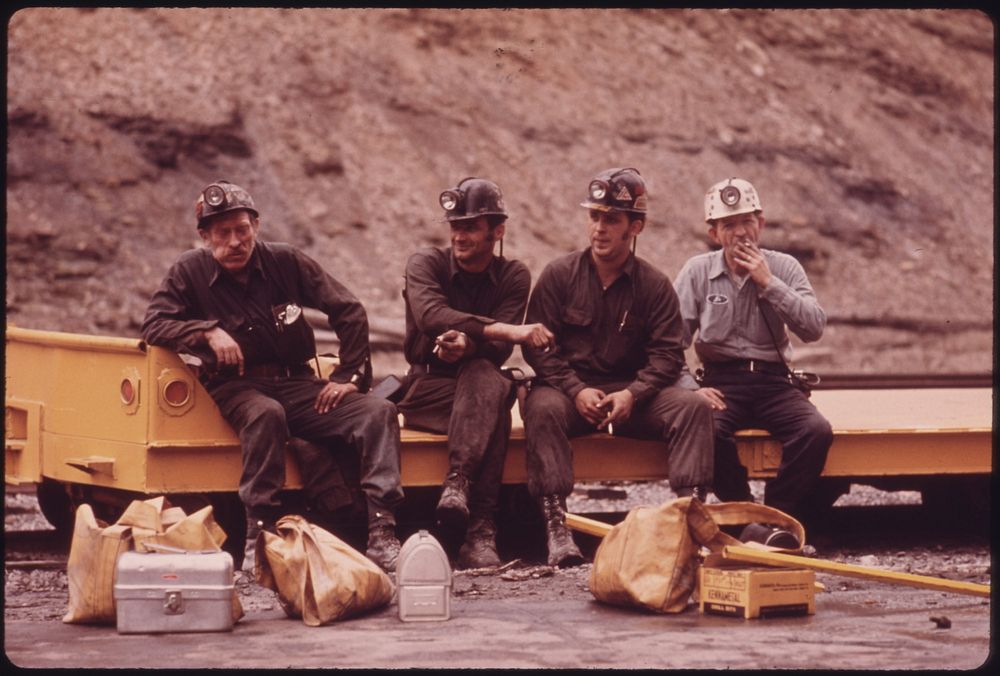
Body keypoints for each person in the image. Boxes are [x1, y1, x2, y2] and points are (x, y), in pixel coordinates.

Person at [141, 180, 404, 573]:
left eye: (242, 230)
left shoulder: (285, 262)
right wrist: (206, 331)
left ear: (256, 226)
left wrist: (348, 375)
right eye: (223, 233)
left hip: (298, 384)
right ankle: (258, 535)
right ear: (204, 235)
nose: (235, 241)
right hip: (236, 386)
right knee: (266, 414)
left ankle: (382, 533)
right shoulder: (189, 270)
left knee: (377, 412)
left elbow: (348, 309)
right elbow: (154, 325)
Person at [522, 168, 715, 567]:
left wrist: (634, 393)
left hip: (631, 395)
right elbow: (538, 349)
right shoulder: (559, 276)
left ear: (635, 226)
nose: (599, 229)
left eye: (611, 219)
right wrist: (575, 390)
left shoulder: (654, 285)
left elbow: (668, 355)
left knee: (692, 407)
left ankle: (688, 523)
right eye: (594, 217)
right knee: (540, 406)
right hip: (569, 393)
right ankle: (558, 528)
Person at [396, 177, 554, 568]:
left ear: (497, 231)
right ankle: (480, 528)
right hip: (429, 388)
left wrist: (467, 345)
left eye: (470, 227)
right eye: (455, 226)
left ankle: (459, 483)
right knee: (494, 400)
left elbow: (498, 352)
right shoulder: (425, 263)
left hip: (477, 388)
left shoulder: (514, 275)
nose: (459, 236)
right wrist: (501, 331)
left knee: (486, 376)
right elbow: (431, 315)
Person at [674, 177, 833, 533]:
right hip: (721, 381)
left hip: (775, 381)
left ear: (760, 224)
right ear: (714, 233)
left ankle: (776, 519)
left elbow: (814, 327)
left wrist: (768, 282)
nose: (740, 232)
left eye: (747, 221)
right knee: (704, 430)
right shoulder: (697, 272)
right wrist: (689, 388)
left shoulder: (785, 267)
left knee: (815, 430)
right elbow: (669, 343)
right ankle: (745, 516)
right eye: (729, 224)